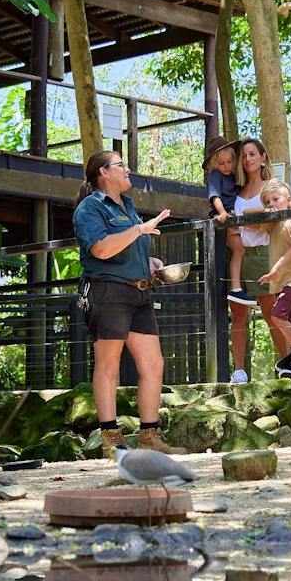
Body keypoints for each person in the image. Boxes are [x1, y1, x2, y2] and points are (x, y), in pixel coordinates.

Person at [72, 149, 169, 457]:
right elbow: (100, 250)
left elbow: (126, 245)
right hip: (108, 293)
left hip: (139, 293)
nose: (127, 170)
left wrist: (148, 260)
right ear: (103, 173)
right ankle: (110, 438)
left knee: (153, 364)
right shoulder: (90, 208)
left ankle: (149, 435)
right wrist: (140, 229)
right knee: (108, 365)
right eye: (120, 165)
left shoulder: (127, 205)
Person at [226, 139, 291, 383]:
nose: (247, 160)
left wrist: (248, 219)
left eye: (252, 154)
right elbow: (237, 224)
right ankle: (239, 370)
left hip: (267, 252)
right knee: (238, 313)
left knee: (271, 313)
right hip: (242, 253)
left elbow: (273, 221)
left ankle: (287, 366)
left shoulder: (273, 186)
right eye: (243, 156)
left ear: (263, 157)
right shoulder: (236, 190)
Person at [256, 179, 291, 379]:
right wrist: (265, 211)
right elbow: (248, 212)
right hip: (278, 280)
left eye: (275, 199)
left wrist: (275, 270)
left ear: (289, 200)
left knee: (277, 316)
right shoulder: (272, 224)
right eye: (267, 202)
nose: (271, 204)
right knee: (288, 323)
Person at [204, 137, 249, 307]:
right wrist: (222, 212)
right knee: (238, 248)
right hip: (224, 218)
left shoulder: (233, 177)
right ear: (215, 164)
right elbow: (215, 196)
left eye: (229, 162)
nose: (226, 166)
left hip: (234, 217)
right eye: (222, 163)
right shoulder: (215, 176)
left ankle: (239, 286)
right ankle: (236, 288)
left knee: (239, 249)